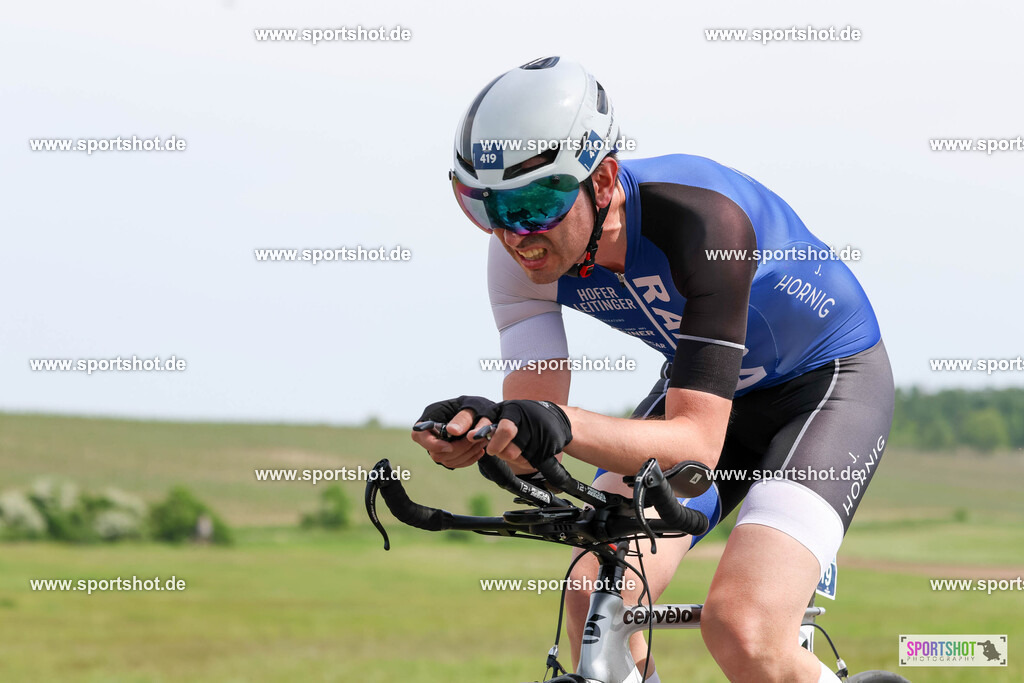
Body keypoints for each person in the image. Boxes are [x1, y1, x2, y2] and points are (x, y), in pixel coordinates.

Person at [412, 56, 894, 683]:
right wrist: (491, 431)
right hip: (709, 393)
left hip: (826, 389)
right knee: (596, 595)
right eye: (486, 208)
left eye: (535, 202)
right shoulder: (516, 257)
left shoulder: (703, 223)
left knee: (744, 628)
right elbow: (535, 427)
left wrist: (553, 423)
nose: (514, 234)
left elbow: (694, 444)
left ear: (603, 179)